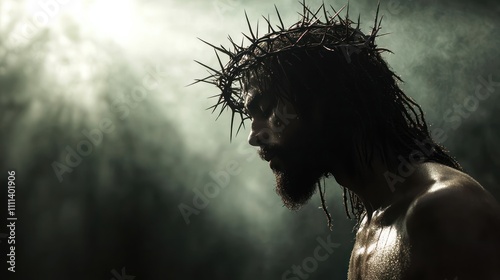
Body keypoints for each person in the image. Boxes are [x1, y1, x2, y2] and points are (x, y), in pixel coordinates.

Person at [195, 3, 500, 279]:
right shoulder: (368, 230)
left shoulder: (445, 208)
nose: (253, 136)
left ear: (323, 101)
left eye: (265, 110)